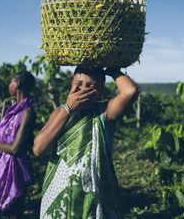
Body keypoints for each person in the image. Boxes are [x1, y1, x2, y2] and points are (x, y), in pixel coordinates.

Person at [33, 67, 139, 218]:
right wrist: (68, 108)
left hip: (95, 195)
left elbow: (130, 92)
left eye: (92, 86)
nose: (83, 89)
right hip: (60, 194)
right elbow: (38, 149)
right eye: (79, 83)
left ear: (101, 91)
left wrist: (113, 69)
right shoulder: (59, 113)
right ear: (71, 83)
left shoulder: (104, 112)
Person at [0, 71, 36, 219]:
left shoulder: (28, 112)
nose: (9, 86)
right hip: (2, 166)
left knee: (14, 211)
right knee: (3, 213)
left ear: (18, 84)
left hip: (15, 170)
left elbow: (15, 148)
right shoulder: (13, 109)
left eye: (11, 82)